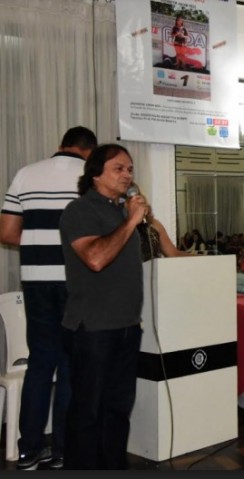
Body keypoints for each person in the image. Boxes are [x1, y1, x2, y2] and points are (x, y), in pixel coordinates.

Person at [0, 126, 97, 470]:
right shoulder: (91, 178)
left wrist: (37, 239)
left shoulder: (25, 174)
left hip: (36, 282)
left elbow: (7, 232)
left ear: (61, 145)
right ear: (89, 151)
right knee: (71, 367)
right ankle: (63, 450)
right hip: (76, 283)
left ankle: (28, 451)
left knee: (40, 365)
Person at [58, 143, 148, 469]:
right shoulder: (80, 210)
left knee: (118, 410)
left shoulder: (121, 212)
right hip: (93, 329)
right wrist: (131, 221)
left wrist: (132, 218)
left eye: (130, 169)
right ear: (96, 174)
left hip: (126, 327)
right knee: (88, 413)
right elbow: (95, 259)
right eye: (118, 169)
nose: (127, 175)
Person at [129, 184, 191, 261]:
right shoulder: (120, 226)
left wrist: (203, 257)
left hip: (154, 268)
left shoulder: (153, 224)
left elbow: (174, 254)